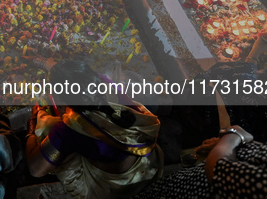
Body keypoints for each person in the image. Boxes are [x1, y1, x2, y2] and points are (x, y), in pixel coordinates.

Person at [25, 60, 163, 198]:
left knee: (46, 125)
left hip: (118, 188)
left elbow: (35, 170)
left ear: (61, 100)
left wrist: (32, 127)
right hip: (149, 168)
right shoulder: (113, 90)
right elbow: (85, 76)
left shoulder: (71, 128)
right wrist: (52, 66)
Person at [135, 125, 267, 198]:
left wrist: (233, 135)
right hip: (194, 173)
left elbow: (218, 171)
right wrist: (235, 145)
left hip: (191, 190)